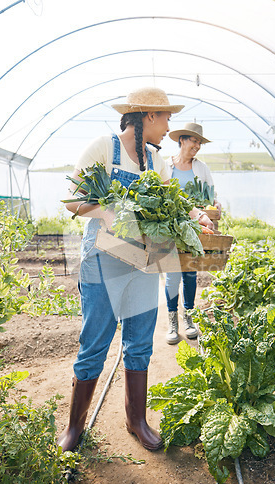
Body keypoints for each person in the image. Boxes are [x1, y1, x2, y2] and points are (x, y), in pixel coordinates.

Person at [58, 88, 214, 453]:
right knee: (95, 341)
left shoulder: (156, 160)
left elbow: (173, 200)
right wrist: (106, 212)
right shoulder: (103, 148)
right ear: (147, 117)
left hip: (145, 260)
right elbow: (71, 200)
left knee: (140, 342)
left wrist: (198, 215)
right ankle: (74, 428)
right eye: (165, 119)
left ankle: (136, 420)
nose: (168, 128)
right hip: (102, 259)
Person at [164, 122, 222, 345]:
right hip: (172, 227)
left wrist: (215, 205)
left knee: (190, 273)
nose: (197, 145)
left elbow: (211, 195)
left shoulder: (202, 168)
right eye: (193, 140)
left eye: (199, 142)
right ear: (182, 140)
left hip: (196, 226)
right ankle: (172, 322)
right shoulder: (167, 166)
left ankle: (188, 318)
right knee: (172, 274)